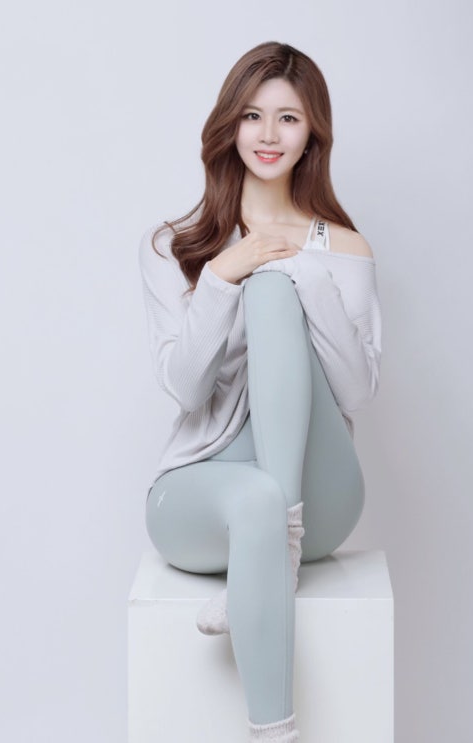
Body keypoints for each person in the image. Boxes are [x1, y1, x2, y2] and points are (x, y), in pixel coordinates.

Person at [138, 41, 382, 743]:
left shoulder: (344, 248)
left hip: (320, 502)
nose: (268, 135)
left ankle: (282, 544)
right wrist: (223, 275)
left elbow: (357, 392)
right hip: (204, 491)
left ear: (312, 135)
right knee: (256, 501)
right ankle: (276, 734)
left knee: (277, 286)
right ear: (230, 125)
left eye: (288, 118)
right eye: (252, 115)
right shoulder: (173, 245)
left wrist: (299, 271)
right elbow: (185, 389)